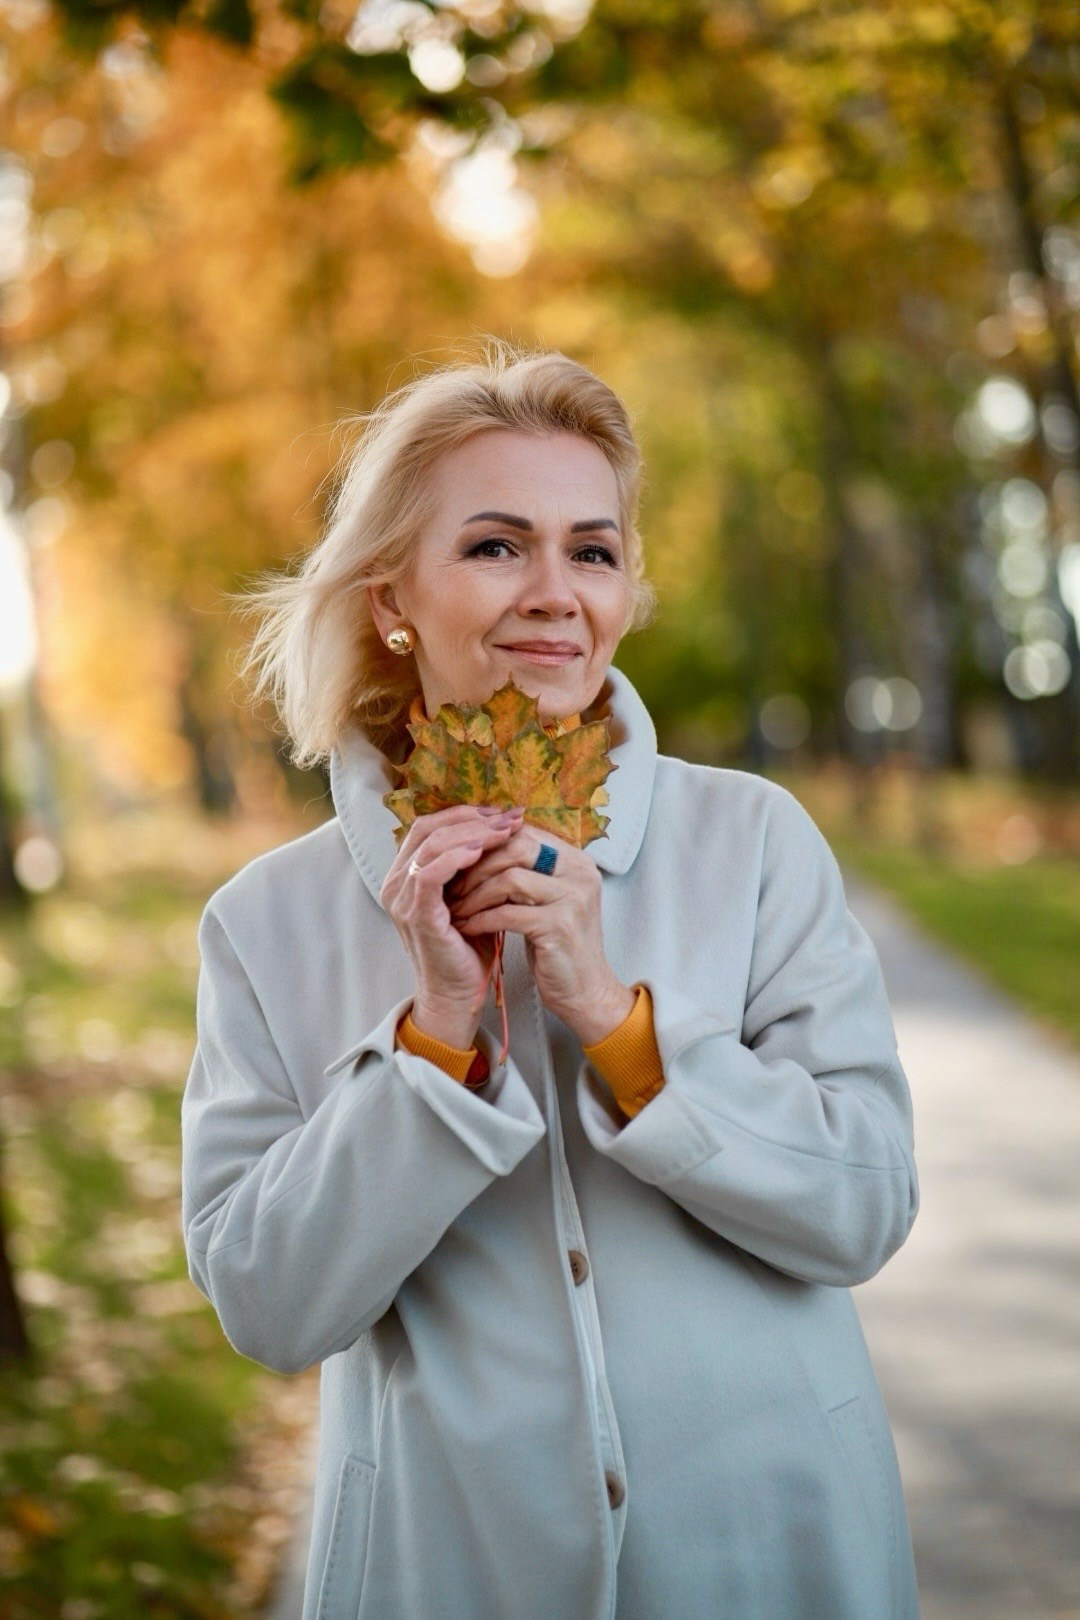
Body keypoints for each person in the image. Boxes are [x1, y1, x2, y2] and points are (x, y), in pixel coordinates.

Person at [180, 342, 920, 1620]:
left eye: (591, 549)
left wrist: (615, 1022)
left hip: (771, 1552)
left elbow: (864, 1204)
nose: (554, 592)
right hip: (447, 1564)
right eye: (493, 546)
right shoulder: (269, 923)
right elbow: (268, 1304)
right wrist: (435, 1040)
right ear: (390, 598)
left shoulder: (750, 842)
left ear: (628, 587)